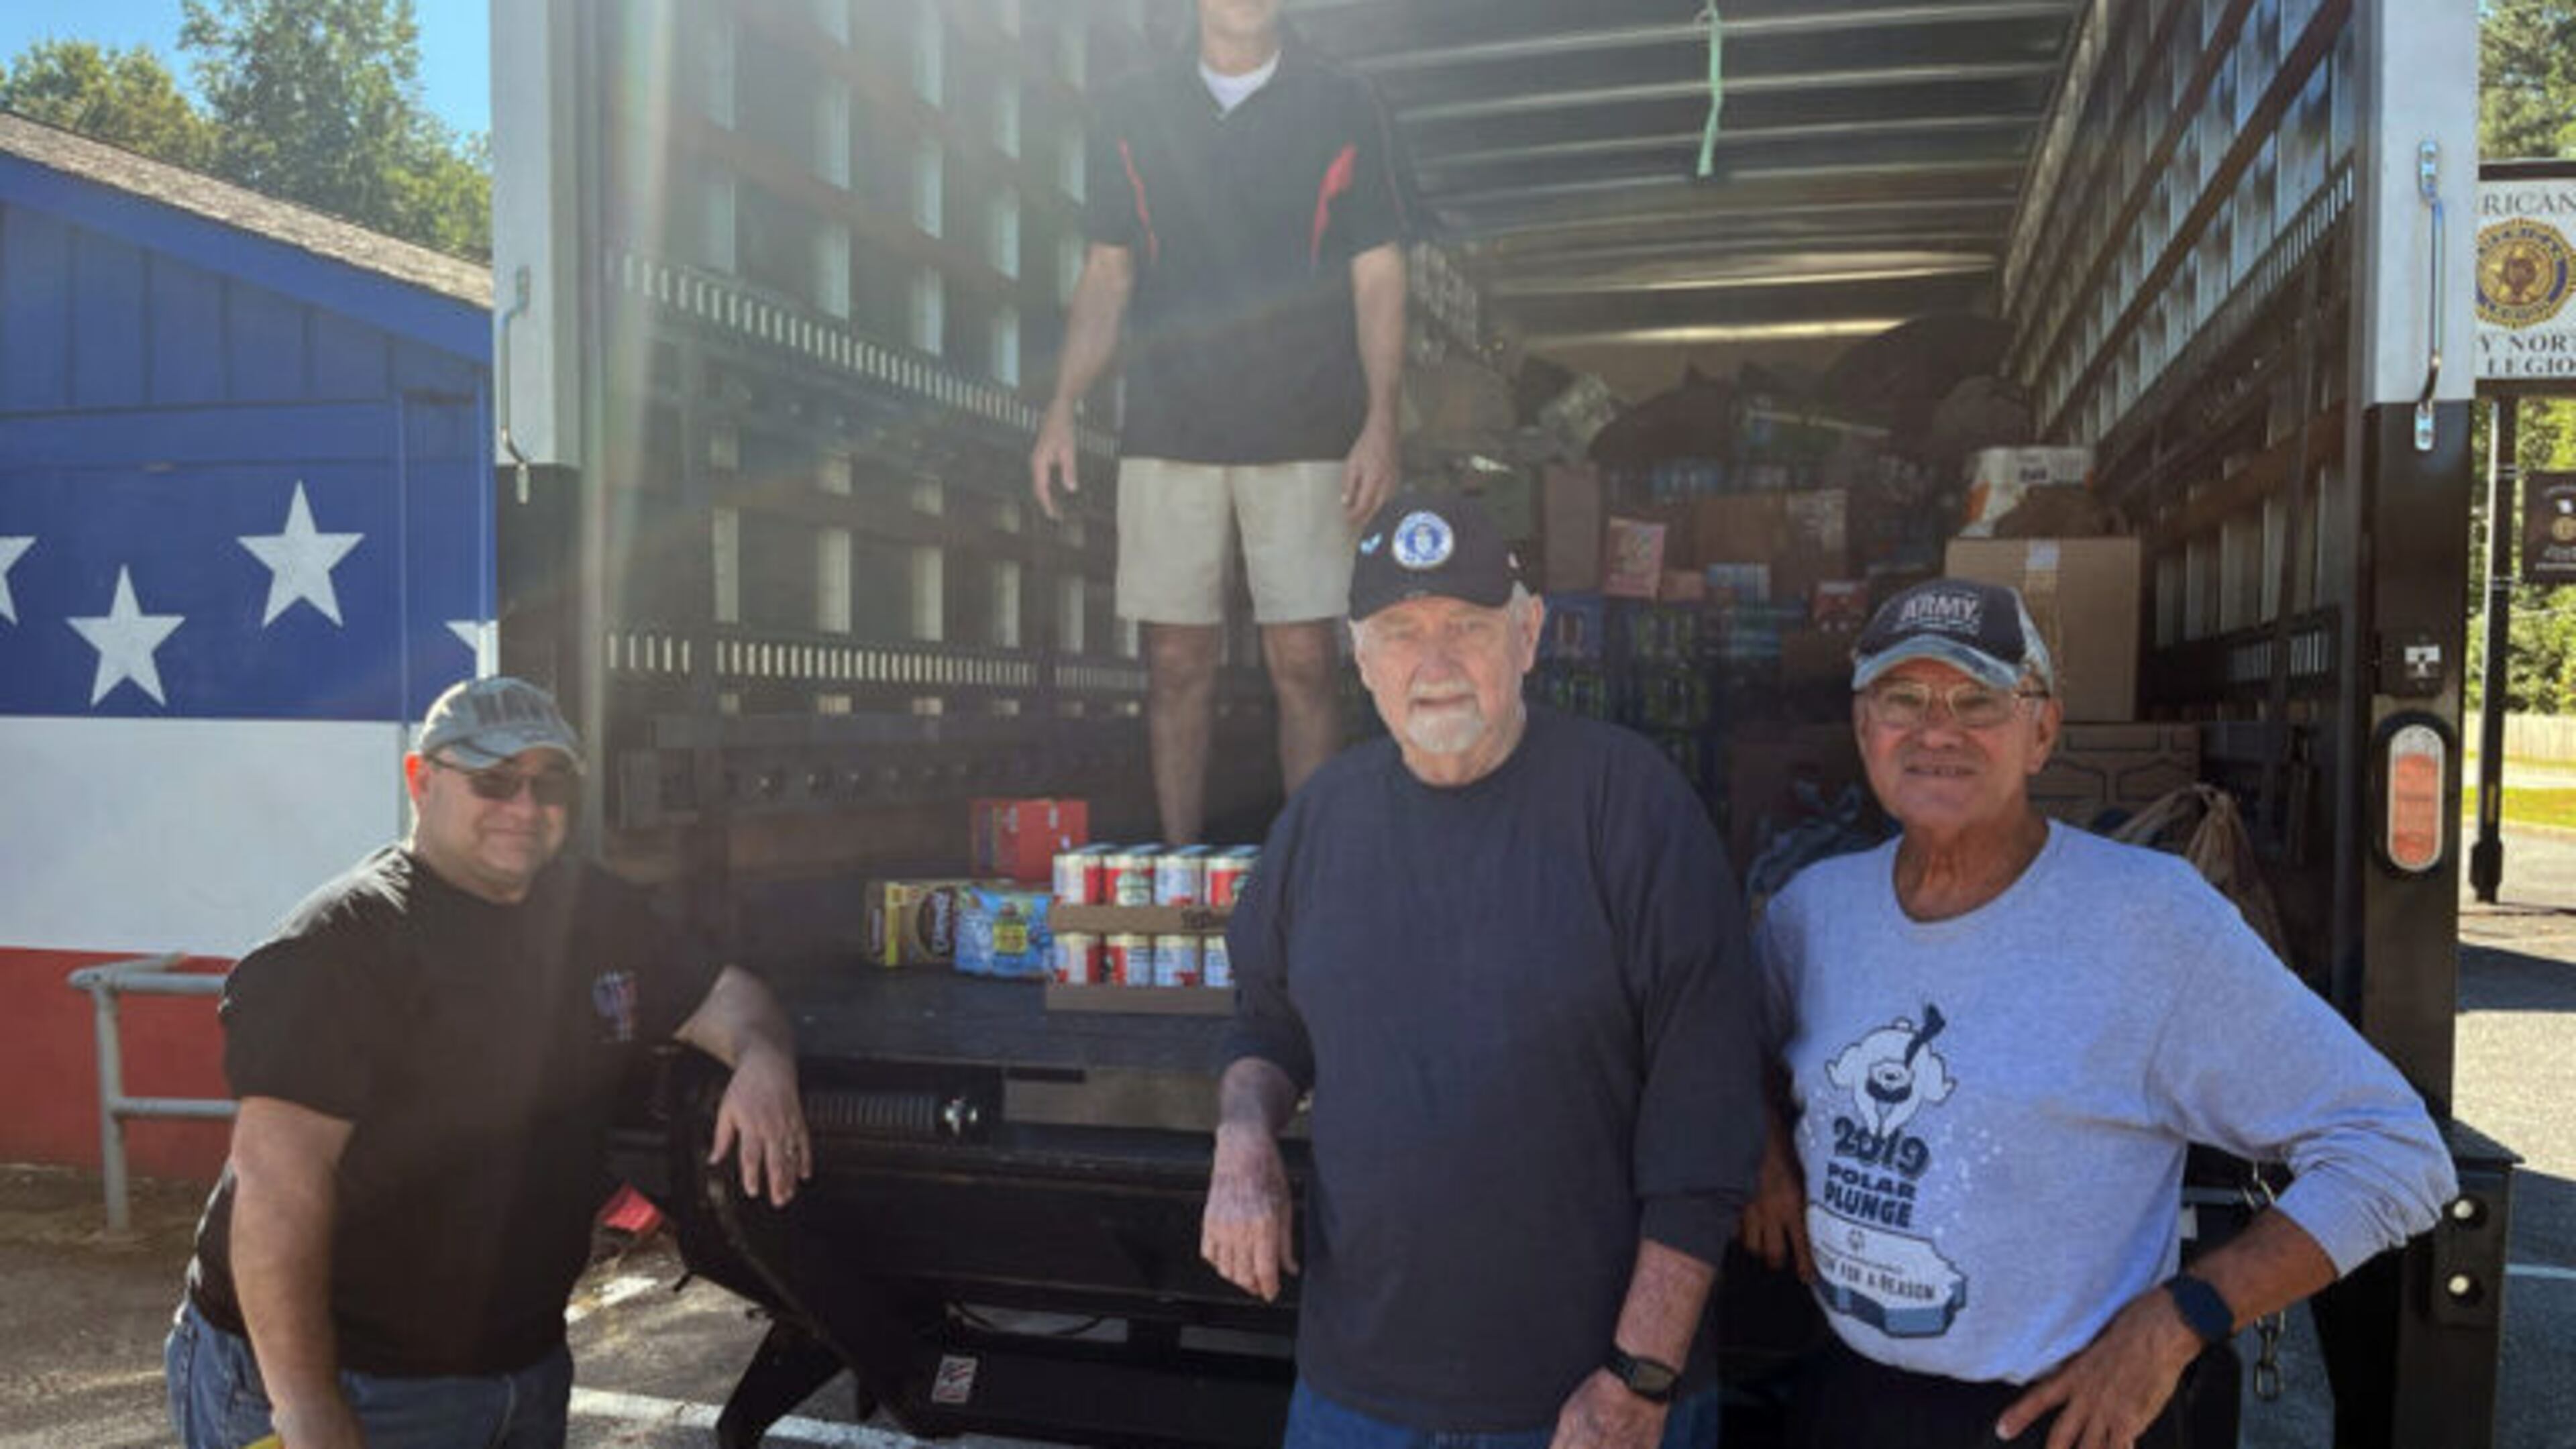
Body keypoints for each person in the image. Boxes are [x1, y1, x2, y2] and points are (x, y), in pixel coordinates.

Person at [1737, 578, 2457, 1448]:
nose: (1937, 731)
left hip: (2067, 1417)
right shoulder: (1816, 912)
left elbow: (2393, 1153)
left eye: (1979, 701)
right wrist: (1765, 1143)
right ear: (1864, 728)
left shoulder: (2150, 921)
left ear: (2042, 731)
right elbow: (1734, 1050)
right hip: (1852, 1404)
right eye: (1903, 699)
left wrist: (2183, 1316)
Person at [1202, 493, 1765, 1449]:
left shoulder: (1632, 810)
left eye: (1467, 626)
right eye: (1401, 631)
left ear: (1531, 634)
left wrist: (1640, 1375)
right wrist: (1245, 1135)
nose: (1435, 663)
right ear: (1360, 655)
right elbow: (1269, 1022)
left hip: (1586, 1405)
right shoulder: (1319, 822)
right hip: (1353, 1398)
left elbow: (1706, 1123)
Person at [165, 676, 810, 1449]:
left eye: (549, 784)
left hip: (520, 1373)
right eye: (495, 781)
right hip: (346, 1382)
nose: (525, 807)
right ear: (421, 781)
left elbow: (730, 998)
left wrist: (764, 1059)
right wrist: (306, 1410)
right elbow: (277, 1188)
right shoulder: (343, 947)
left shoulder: (592, 912)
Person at [1029, 0, 1411, 846]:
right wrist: (1062, 406)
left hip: (1311, 422)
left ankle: (1309, 875)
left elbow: (1378, 272)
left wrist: (1381, 420)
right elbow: (1107, 271)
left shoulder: (1346, 103)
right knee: (1174, 664)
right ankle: (1176, 870)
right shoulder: (1129, 109)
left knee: (1307, 662)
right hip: (1171, 423)